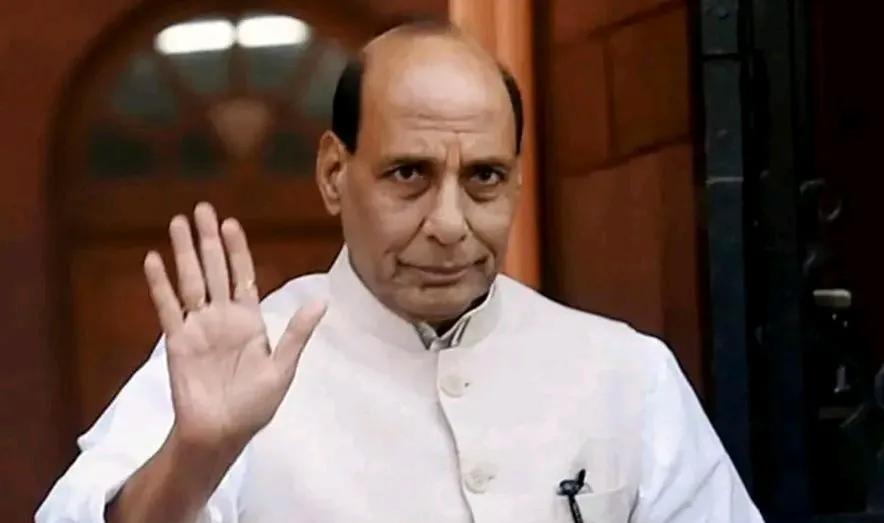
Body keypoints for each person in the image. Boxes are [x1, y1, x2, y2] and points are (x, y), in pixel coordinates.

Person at [37, 21, 764, 523]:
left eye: (483, 177)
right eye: (409, 174)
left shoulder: (626, 373)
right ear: (334, 173)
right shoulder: (244, 362)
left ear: (517, 180)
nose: (449, 223)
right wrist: (195, 458)